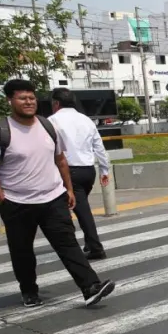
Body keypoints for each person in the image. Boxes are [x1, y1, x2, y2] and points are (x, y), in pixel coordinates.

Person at [0, 80, 114, 308]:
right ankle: (29, 291)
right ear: (9, 100)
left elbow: (60, 160)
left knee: (68, 244)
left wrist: (68, 189)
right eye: (22, 98)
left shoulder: (48, 126)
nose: (28, 102)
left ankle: (91, 286)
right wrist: (1, 196)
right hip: (17, 202)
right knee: (22, 252)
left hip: (53, 198)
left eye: (31, 97)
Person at [49, 88, 111, 260]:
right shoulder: (86, 121)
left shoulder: (51, 121)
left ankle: (95, 247)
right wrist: (104, 170)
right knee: (79, 208)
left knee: (79, 211)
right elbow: (99, 146)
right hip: (88, 171)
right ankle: (89, 244)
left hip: (68, 172)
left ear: (56, 103)